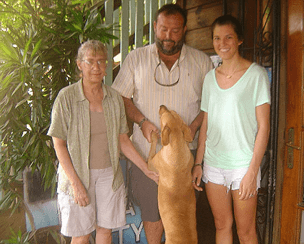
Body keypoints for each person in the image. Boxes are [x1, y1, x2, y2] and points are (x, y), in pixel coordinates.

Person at [111, 3, 213, 244]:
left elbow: (211, 106)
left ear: (185, 30)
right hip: (149, 156)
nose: (168, 36)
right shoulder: (136, 58)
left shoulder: (201, 62)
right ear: (155, 27)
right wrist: (142, 120)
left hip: (185, 156)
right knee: (152, 211)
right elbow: (121, 97)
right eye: (163, 29)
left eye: (175, 30)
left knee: (181, 215)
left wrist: (196, 124)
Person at [47, 40, 158, 244]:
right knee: (81, 235)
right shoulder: (66, 97)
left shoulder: (114, 98)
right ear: (79, 64)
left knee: (105, 231)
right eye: (90, 62)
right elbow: (59, 144)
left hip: (109, 175)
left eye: (100, 62)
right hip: (78, 174)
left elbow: (122, 140)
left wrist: (145, 168)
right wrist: (75, 184)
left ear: (107, 65)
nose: (96, 67)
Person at [192, 15, 271, 244]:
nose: (222, 43)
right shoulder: (209, 79)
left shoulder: (255, 75)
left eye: (228, 37)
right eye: (217, 38)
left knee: (246, 233)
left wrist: (252, 171)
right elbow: (206, 123)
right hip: (214, 164)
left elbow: (264, 127)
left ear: (239, 40)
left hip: (243, 165)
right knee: (221, 225)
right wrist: (199, 163)